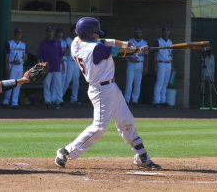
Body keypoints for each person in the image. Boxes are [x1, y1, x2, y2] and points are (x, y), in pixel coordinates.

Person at [55, 17, 161, 170]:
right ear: (90, 34)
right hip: (101, 91)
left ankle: (142, 155)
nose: (98, 35)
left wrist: (127, 44)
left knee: (126, 120)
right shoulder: (94, 49)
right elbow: (116, 51)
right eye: (95, 33)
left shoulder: (76, 42)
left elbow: (105, 40)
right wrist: (138, 50)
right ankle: (66, 151)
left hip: (110, 88)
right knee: (99, 127)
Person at [37, 25, 65, 109]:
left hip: (56, 67)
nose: (50, 33)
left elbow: (60, 56)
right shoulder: (43, 43)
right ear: (47, 32)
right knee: (47, 85)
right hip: (46, 68)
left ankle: (59, 101)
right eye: (49, 31)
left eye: (51, 31)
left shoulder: (57, 42)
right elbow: (39, 57)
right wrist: (39, 68)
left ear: (53, 32)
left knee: (58, 85)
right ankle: (47, 101)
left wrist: (63, 65)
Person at [2, 28, 28, 109]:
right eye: (17, 33)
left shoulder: (23, 44)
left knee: (18, 84)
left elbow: (26, 56)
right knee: (10, 84)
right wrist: (7, 68)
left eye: (20, 33)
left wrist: (23, 60)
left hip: (20, 65)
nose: (18, 35)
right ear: (14, 34)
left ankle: (14, 102)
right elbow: (6, 57)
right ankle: (6, 101)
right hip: (12, 65)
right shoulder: (9, 43)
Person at [124, 28, 148, 105]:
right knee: (129, 83)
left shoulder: (144, 43)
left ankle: (135, 100)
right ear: (134, 33)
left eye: (139, 32)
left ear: (141, 33)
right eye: (136, 32)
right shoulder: (130, 41)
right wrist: (130, 58)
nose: (138, 33)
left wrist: (145, 67)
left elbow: (146, 56)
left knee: (137, 83)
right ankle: (127, 100)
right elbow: (125, 53)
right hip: (131, 63)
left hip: (140, 63)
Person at [153, 26, 173, 108]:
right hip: (161, 63)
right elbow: (155, 54)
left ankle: (163, 100)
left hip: (168, 63)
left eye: (167, 30)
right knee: (159, 83)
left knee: (165, 83)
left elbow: (171, 54)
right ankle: (156, 101)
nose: (166, 32)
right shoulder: (158, 41)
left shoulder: (170, 42)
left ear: (169, 32)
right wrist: (154, 66)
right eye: (164, 30)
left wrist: (172, 65)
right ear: (162, 32)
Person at [63, 25, 81, 104]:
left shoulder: (79, 41)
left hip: (77, 63)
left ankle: (74, 98)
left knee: (76, 81)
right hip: (69, 61)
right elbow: (65, 52)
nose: (75, 32)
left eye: (76, 31)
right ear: (71, 31)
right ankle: (59, 97)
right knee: (67, 80)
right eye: (74, 31)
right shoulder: (67, 40)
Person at [55, 28, 67, 101]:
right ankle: (54, 98)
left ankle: (59, 97)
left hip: (64, 61)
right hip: (57, 62)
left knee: (63, 81)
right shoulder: (54, 42)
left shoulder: (64, 42)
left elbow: (65, 52)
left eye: (61, 32)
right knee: (56, 81)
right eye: (59, 32)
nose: (60, 34)